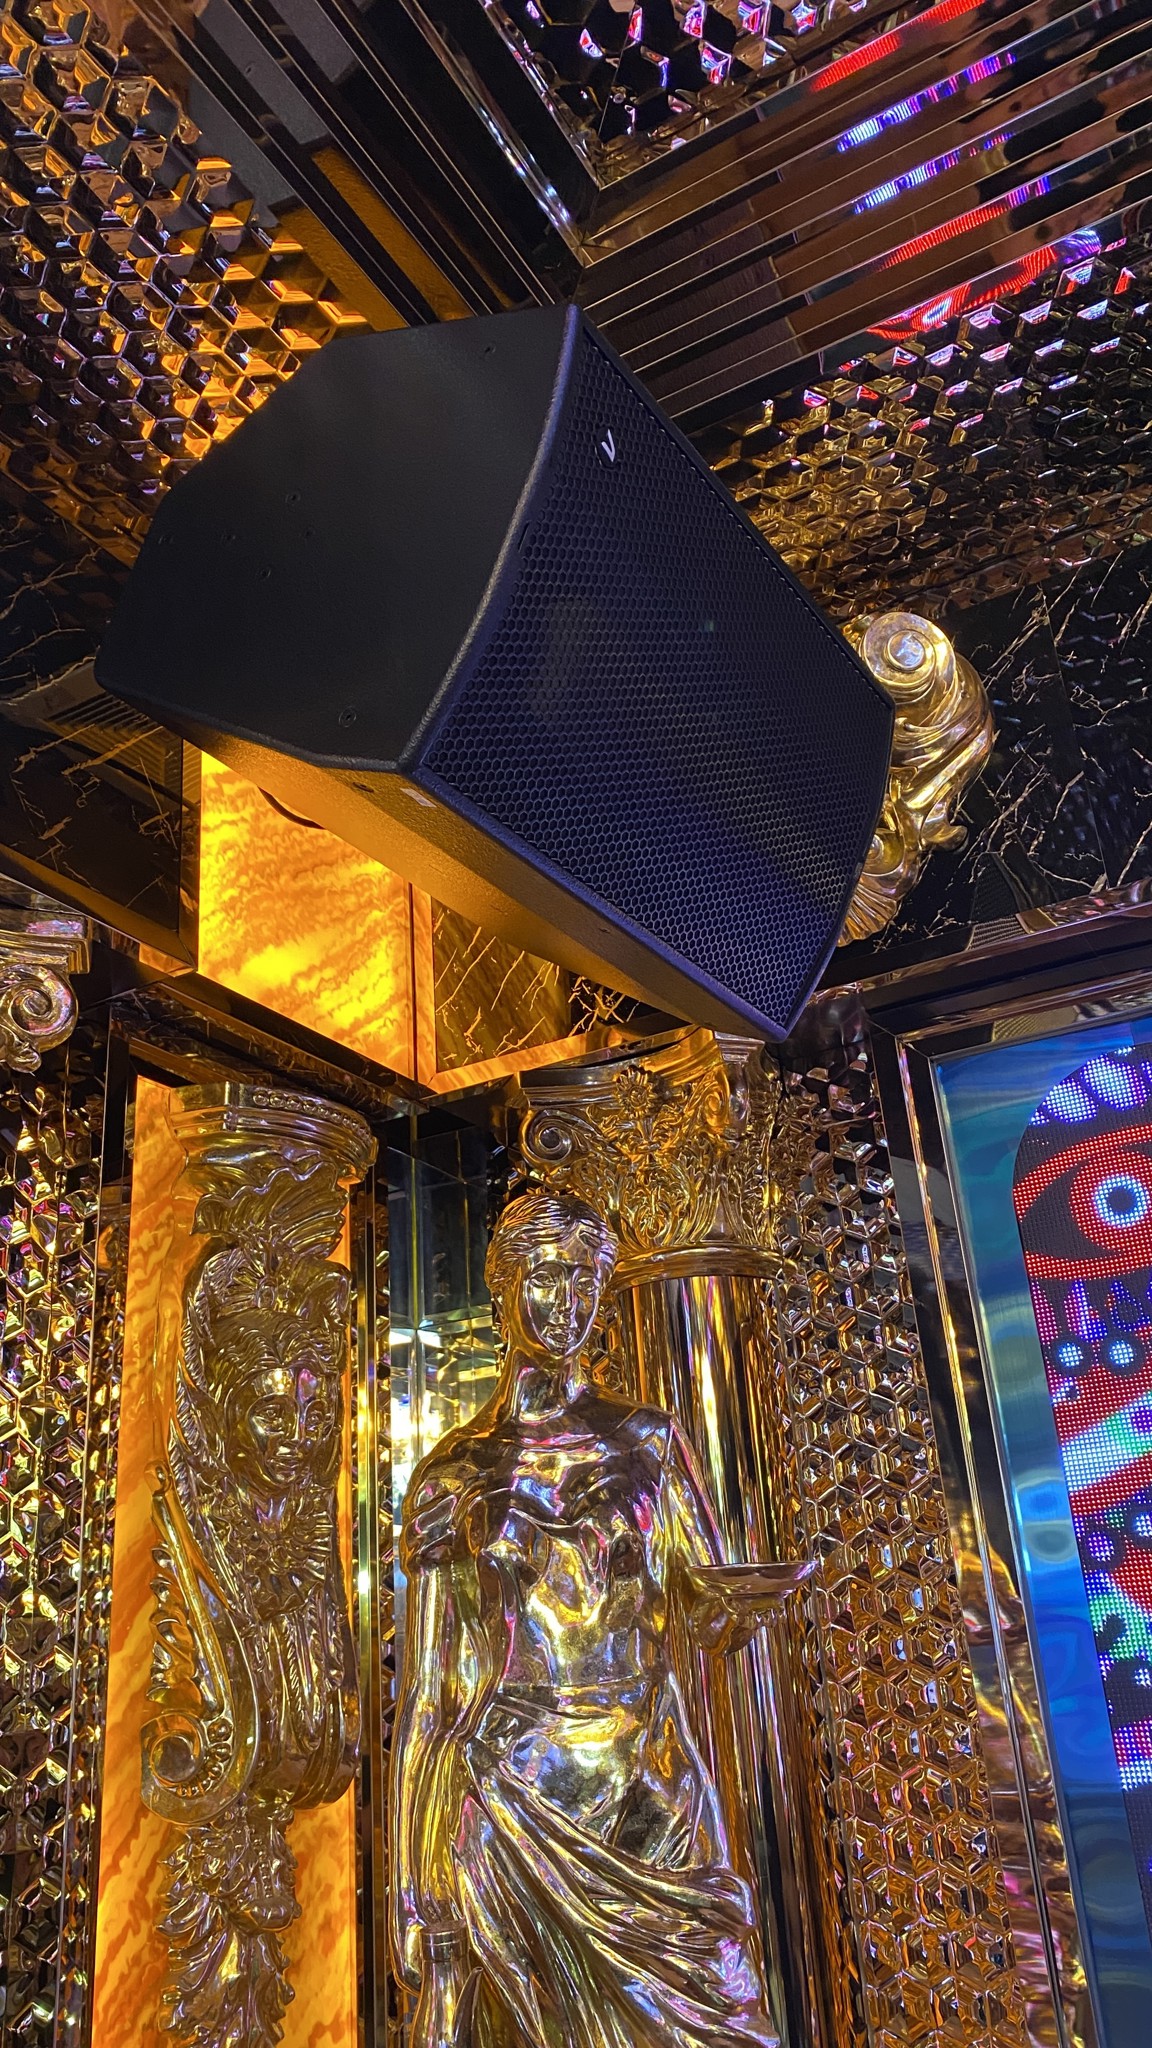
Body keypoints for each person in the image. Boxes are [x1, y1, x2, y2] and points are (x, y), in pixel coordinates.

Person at [390, 1186, 785, 2048]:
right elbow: (429, 1693)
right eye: (547, 1276)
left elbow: (705, 1615)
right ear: (502, 1284)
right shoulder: (454, 1473)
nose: (567, 1302)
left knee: (715, 2017)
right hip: (513, 1792)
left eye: (586, 1281)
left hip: (650, 1776)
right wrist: (412, 1891)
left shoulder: (649, 1442)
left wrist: (740, 1606)